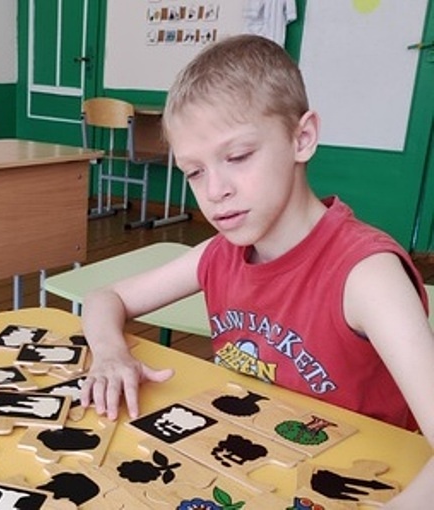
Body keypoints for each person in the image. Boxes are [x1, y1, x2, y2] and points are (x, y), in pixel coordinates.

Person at [79, 34, 434, 507]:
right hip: (252, 472)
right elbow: (105, 298)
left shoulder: (367, 276)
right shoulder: (219, 254)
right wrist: (110, 354)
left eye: (238, 156)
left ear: (301, 139)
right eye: (194, 172)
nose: (215, 191)